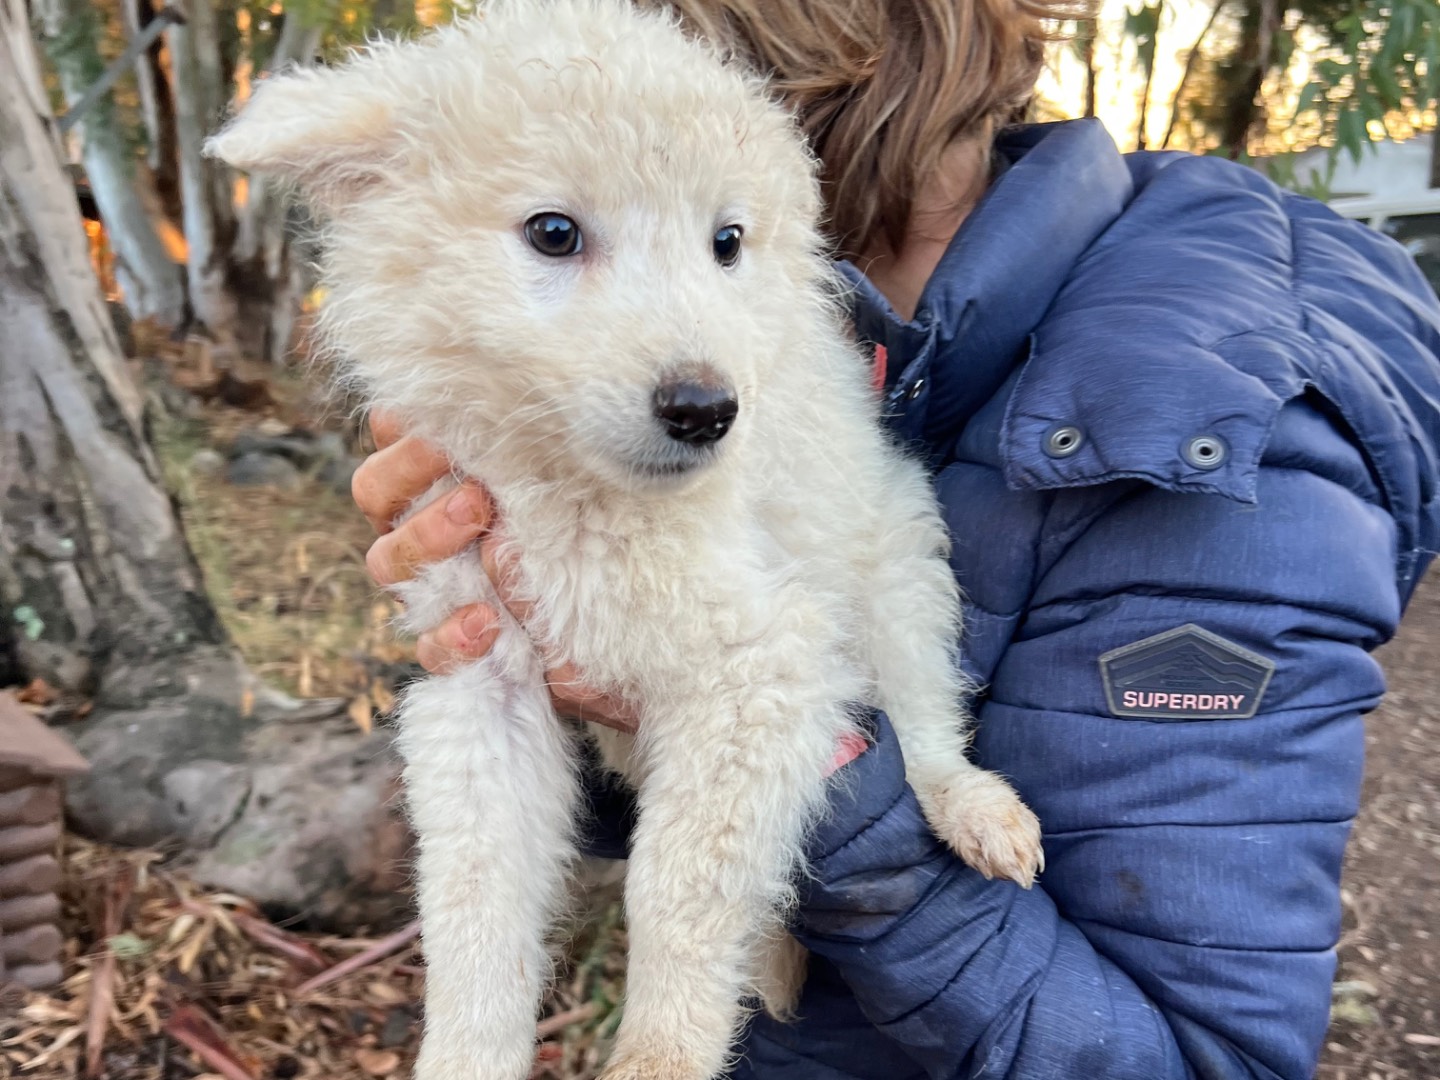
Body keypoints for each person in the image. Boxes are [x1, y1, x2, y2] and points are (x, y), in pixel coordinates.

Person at [349, 0, 1440, 1075]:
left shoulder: (1230, 441)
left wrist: (852, 803)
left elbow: (1210, 1060)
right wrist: (542, 653)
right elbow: (617, 724)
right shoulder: (817, 334)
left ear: (765, 114)